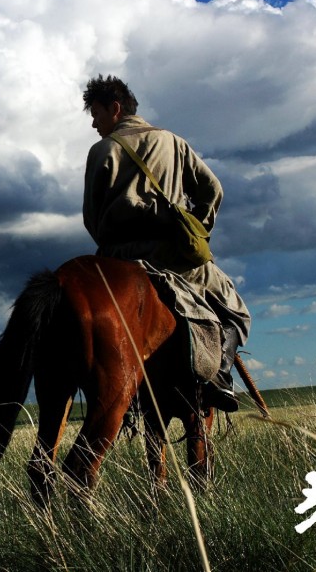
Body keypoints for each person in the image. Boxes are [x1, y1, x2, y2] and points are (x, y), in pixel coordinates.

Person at [81, 74, 250, 412]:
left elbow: (91, 217)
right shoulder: (172, 142)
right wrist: (195, 231)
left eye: (96, 114)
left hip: (118, 258)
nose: (94, 124)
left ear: (115, 109)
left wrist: (113, 242)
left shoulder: (102, 150)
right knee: (236, 312)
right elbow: (212, 190)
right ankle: (219, 378)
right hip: (172, 256)